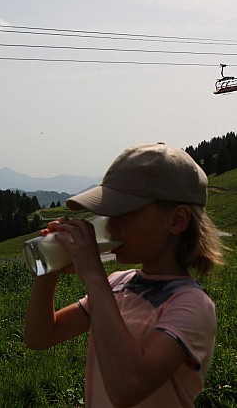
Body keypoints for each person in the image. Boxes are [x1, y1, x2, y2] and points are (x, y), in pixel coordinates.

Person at [24, 143, 223, 407]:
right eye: (107, 213)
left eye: (124, 213)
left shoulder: (192, 304)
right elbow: (40, 337)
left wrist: (93, 275)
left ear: (176, 220)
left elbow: (126, 388)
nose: (110, 225)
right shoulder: (118, 283)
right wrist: (48, 269)